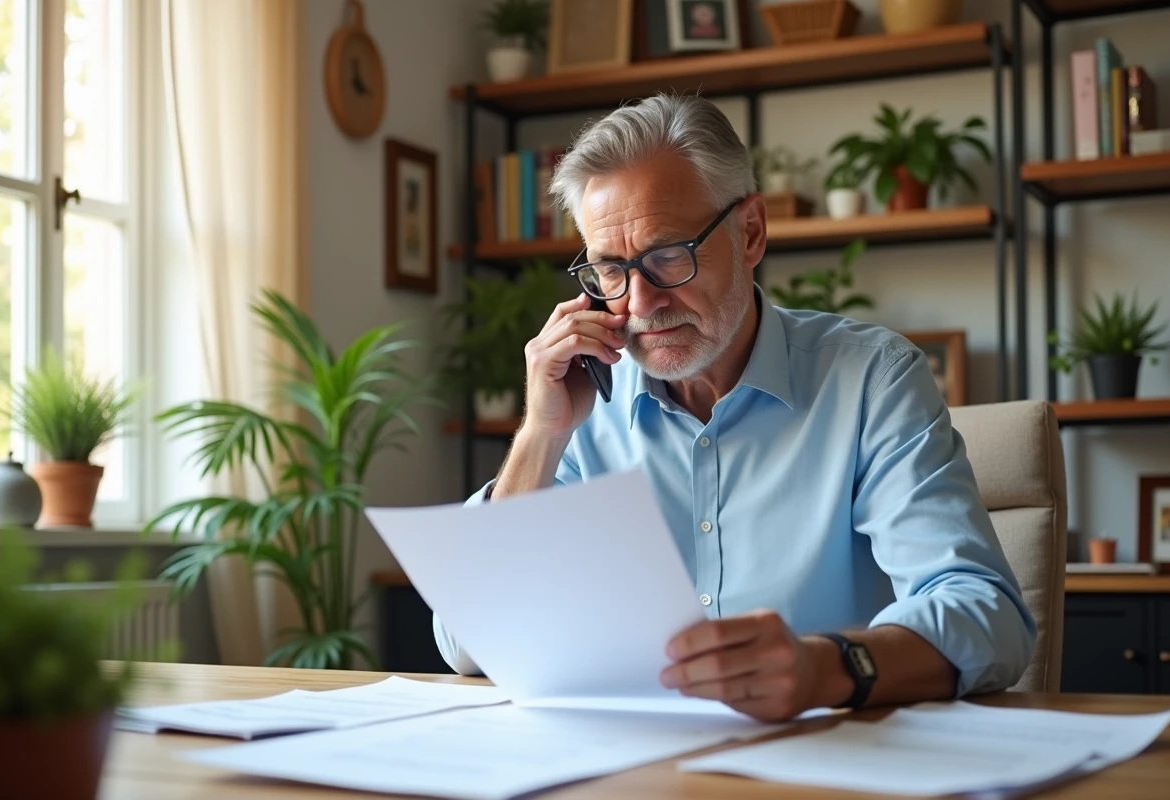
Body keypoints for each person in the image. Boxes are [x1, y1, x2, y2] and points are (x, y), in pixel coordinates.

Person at [434, 93, 1035, 723]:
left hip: (829, 766)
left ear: (750, 232)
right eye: (612, 270)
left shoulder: (870, 383)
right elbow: (467, 643)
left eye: (668, 255)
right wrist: (540, 433)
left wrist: (821, 668)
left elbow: (987, 616)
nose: (639, 303)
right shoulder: (586, 408)